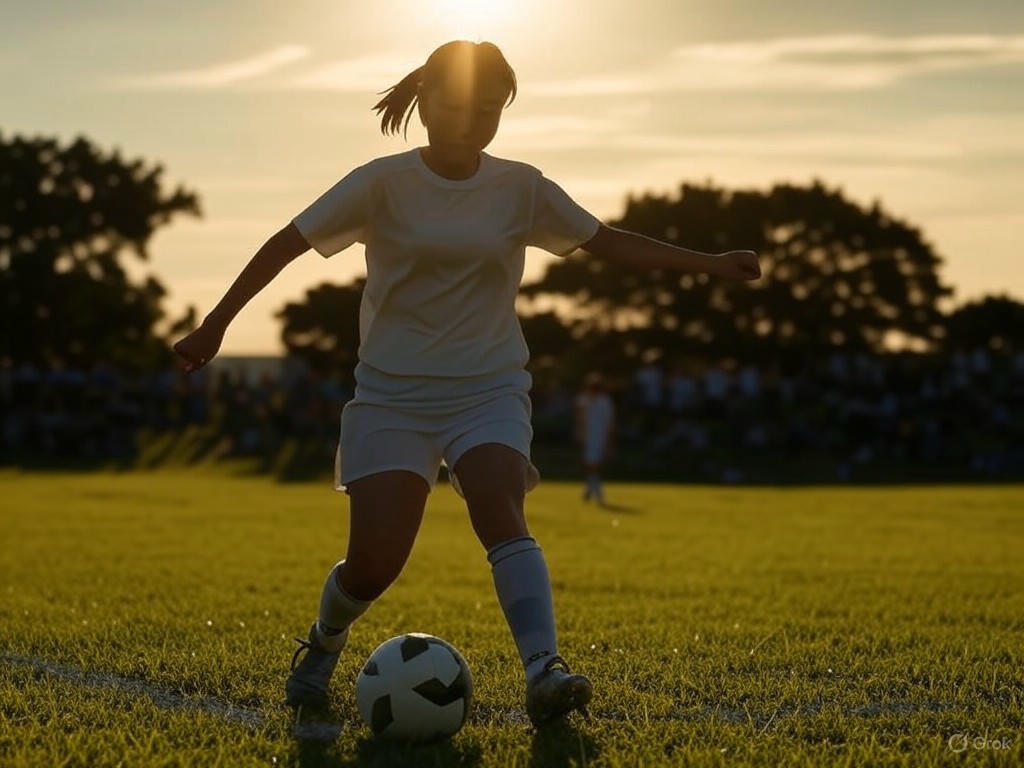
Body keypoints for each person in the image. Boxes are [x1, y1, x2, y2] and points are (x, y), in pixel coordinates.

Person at [172, 39, 761, 729]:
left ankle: (545, 670)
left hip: (489, 386)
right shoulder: (379, 182)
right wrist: (215, 324)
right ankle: (324, 642)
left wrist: (712, 265)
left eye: (490, 108)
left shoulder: (522, 187)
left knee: (499, 506)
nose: (473, 119)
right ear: (424, 101)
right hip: (392, 396)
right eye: (457, 104)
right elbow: (287, 241)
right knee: (373, 565)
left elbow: (605, 241)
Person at [574, 372, 616, 505]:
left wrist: (609, 440)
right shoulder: (584, 400)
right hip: (590, 437)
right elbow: (579, 417)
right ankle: (592, 489)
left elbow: (610, 422)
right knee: (590, 465)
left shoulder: (604, 402)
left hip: (599, 437)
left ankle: (594, 491)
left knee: (594, 466)